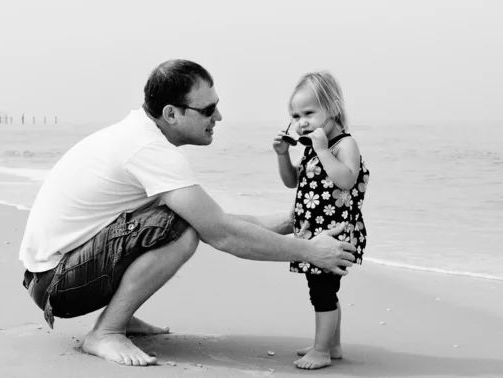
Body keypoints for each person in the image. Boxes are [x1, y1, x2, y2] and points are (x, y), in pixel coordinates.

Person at [19, 59, 356, 367]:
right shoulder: (149, 150)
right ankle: (106, 332)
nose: (219, 117)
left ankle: (121, 313)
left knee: (178, 222)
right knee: (179, 229)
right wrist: (310, 250)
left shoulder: (139, 135)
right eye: (208, 110)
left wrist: (294, 221)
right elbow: (219, 233)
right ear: (171, 114)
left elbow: (218, 219)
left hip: (54, 276)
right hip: (58, 285)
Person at [272, 71, 370, 370]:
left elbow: (346, 179)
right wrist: (282, 155)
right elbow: (293, 182)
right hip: (313, 232)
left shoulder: (343, 144)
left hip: (335, 233)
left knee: (322, 291)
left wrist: (324, 150)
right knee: (325, 289)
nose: (301, 121)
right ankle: (331, 344)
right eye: (295, 115)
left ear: (333, 108)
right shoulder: (313, 148)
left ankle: (322, 350)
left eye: (309, 113)